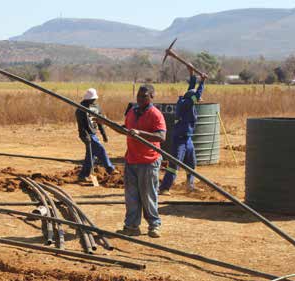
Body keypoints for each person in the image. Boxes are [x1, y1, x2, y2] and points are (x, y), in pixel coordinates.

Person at [110, 84, 166, 238]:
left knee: (148, 195)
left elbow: (161, 137)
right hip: (131, 160)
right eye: (139, 96)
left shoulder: (156, 114)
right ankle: (131, 226)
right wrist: (106, 123)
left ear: (151, 97)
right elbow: (125, 129)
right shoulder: (132, 112)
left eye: (144, 96)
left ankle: (154, 225)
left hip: (149, 161)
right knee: (131, 196)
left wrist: (140, 133)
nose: (140, 99)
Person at [159, 67, 206, 195]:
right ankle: (164, 188)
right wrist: (202, 81)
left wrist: (192, 74)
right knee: (174, 165)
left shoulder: (186, 100)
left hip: (187, 138)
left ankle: (189, 186)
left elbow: (191, 89)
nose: (198, 101)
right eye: (197, 100)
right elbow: (196, 94)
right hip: (180, 139)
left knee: (191, 163)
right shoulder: (186, 104)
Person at [75, 88, 116, 181]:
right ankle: (110, 168)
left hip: (93, 133)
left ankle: (83, 175)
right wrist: (85, 136)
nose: (94, 100)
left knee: (91, 155)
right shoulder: (81, 108)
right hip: (86, 134)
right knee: (100, 149)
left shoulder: (96, 107)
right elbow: (81, 125)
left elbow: (100, 121)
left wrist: (104, 134)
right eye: (92, 99)